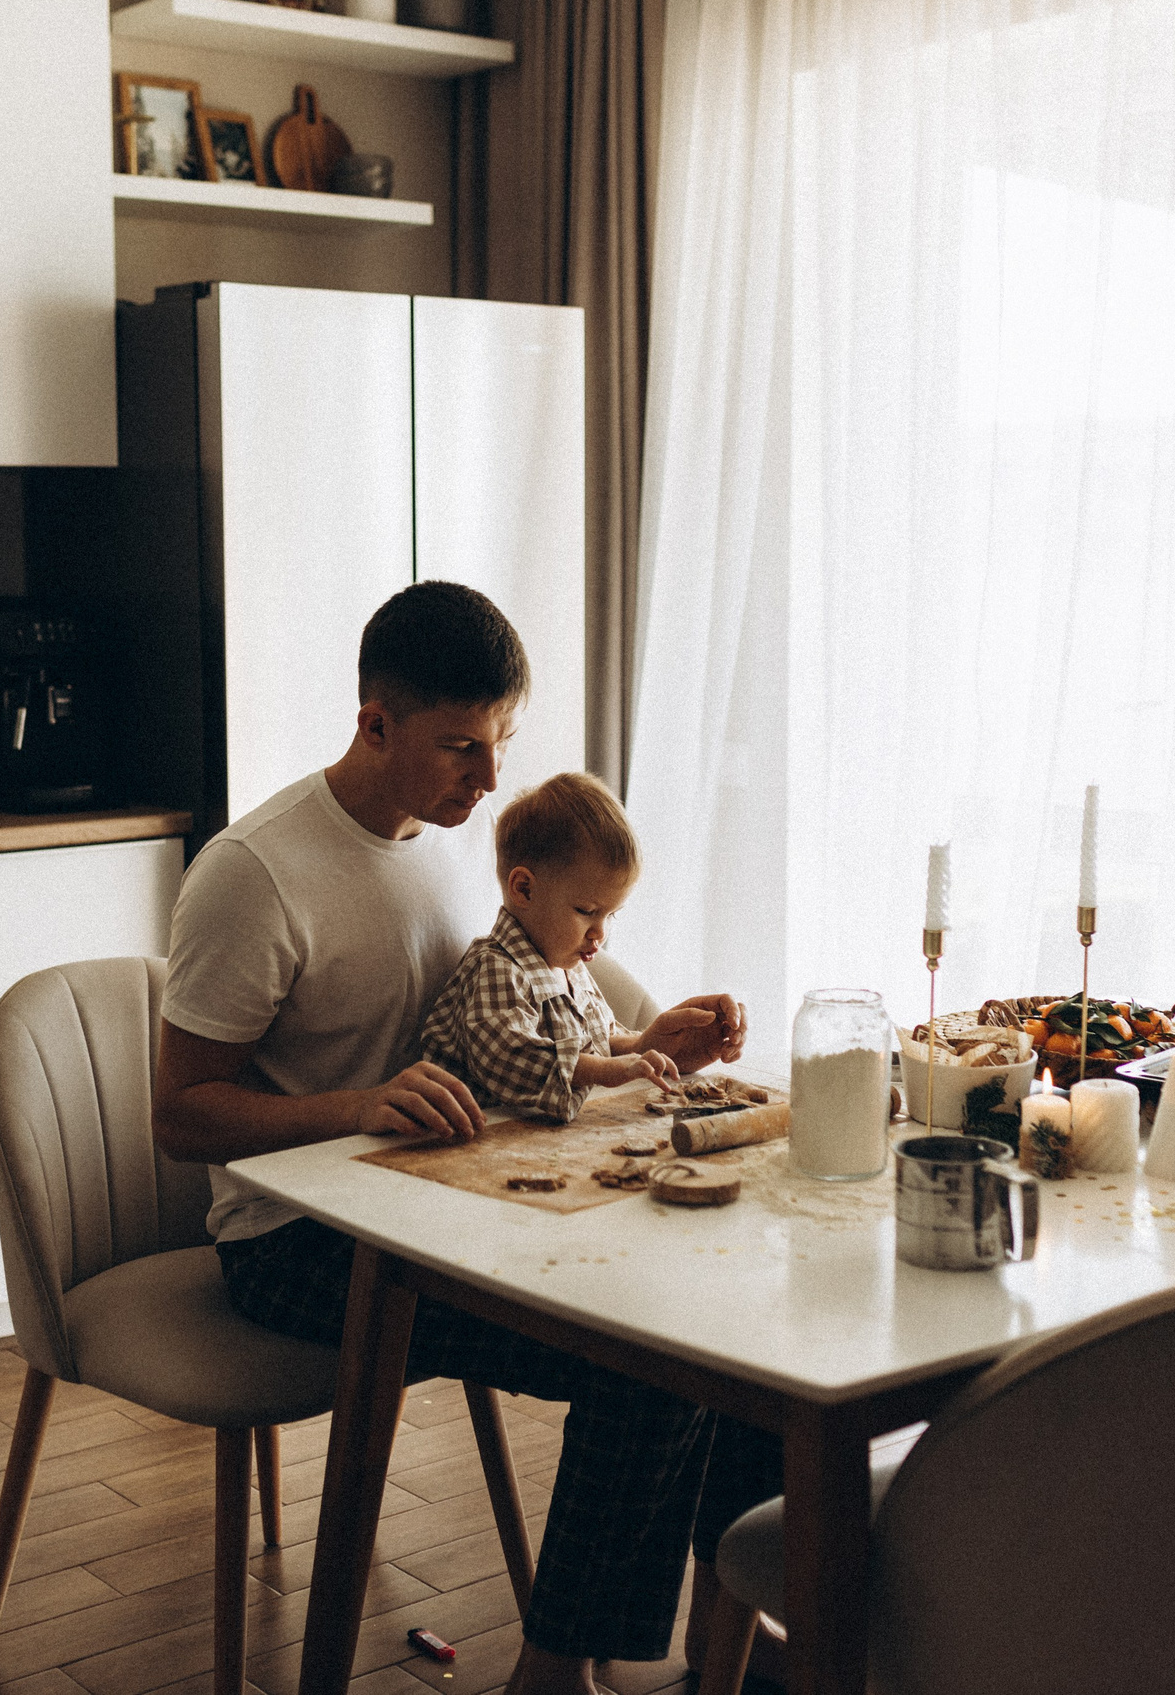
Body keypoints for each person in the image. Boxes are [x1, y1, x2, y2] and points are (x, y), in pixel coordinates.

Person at [154, 581, 769, 1695]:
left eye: (502, 746)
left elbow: (511, 1021)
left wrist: (641, 1037)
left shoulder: (448, 843)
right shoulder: (253, 878)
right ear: (373, 724)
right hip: (297, 1245)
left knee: (731, 1332)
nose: (490, 784)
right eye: (461, 750)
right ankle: (551, 1674)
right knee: (652, 1366)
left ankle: (743, 1642)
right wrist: (356, 1104)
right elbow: (180, 1114)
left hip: (452, 1201)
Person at [420, 770, 680, 1119]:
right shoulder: (496, 968)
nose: (599, 933)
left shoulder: (572, 968)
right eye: (587, 911)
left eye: (611, 915)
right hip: (474, 1143)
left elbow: (599, 1038)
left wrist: (645, 1051)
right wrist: (604, 1071)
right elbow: (509, 1058)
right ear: (524, 889)